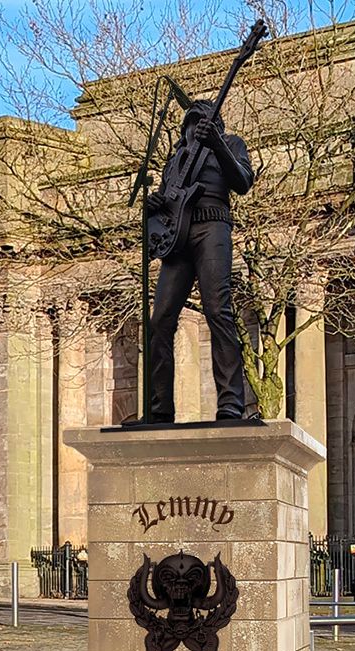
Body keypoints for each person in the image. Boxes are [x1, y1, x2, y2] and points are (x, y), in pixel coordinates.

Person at [145, 100, 253, 423]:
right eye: (191, 124)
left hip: (212, 227)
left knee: (217, 310)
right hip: (177, 238)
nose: (196, 129)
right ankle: (159, 407)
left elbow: (243, 182)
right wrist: (154, 207)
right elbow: (168, 203)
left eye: (201, 123)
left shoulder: (231, 144)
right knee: (160, 319)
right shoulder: (175, 160)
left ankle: (231, 402)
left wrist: (217, 144)